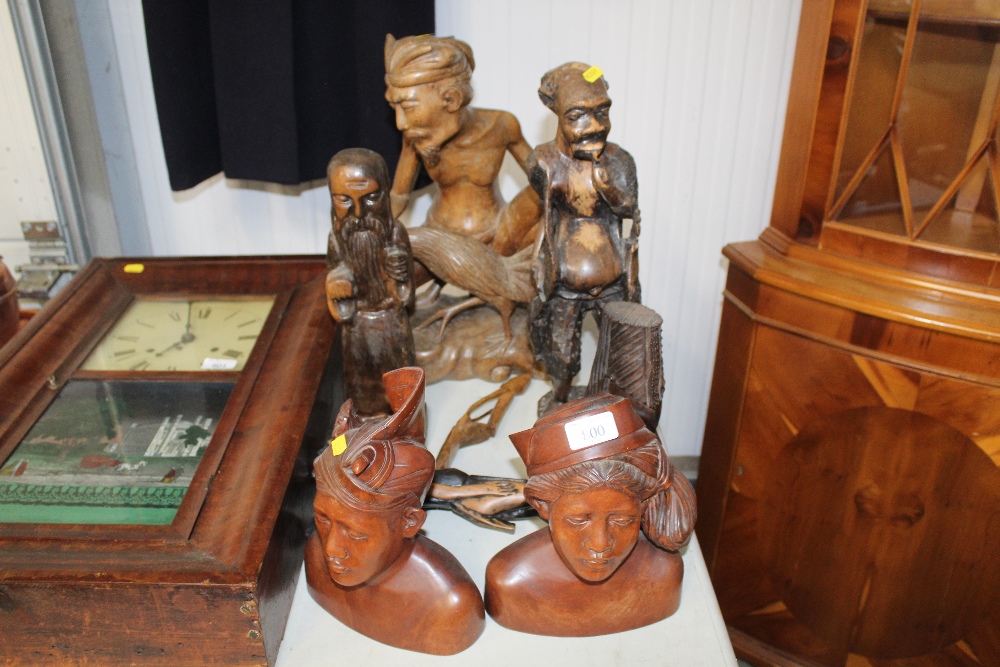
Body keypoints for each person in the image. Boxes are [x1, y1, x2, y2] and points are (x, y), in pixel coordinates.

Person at [305, 367, 485, 655]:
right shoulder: (316, 558)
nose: (331, 549)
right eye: (323, 519)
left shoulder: (450, 605)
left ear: (410, 522)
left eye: (356, 532)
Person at [485, 394, 696, 636]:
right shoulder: (512, 579)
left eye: (623, 520)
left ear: (644, 504)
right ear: (541, 505)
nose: (600, 544)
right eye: (578, 520)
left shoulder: (661, 573)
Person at [527, 63, 641, 404]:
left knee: (620, 357)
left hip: (613, 284)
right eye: (576, 115)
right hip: (565, 285)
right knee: (561, 358)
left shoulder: (619, 161)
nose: (592, 126)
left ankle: (611, 409)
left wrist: (609, 187)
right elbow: (548, 220)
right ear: (555, 111)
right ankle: (558, 405)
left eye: (601, 112)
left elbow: (632, 216)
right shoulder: (543, 162)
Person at [384, 34, 540, 254]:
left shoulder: (502, 125)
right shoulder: (414, 137)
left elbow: (545, 182)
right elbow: (398, 197)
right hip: (440, 238)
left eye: (408, 107)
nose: (400, 123)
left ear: (451, 99)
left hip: (497, 237)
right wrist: (372, 230)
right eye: (394, 108)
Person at [325, 148, 415, 418]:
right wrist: (336, 286)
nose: (359, 212)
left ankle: (405, 429)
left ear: (386, 194)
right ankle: (364, 427)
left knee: (401, 390)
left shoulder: (395, 232)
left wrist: (398, 276)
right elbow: (335, 280)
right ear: (332, 200)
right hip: (357, 325)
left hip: (391, 321)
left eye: (371, 198)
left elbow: (406, 295)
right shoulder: (336, 239)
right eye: (344, 200)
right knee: (360, 390)